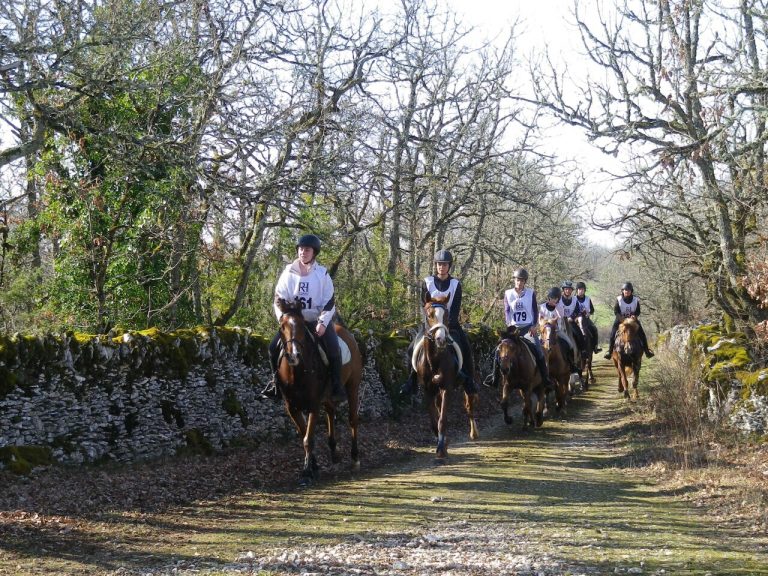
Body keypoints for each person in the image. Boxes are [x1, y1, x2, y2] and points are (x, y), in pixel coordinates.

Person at [266, 234, 346, 402]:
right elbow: (278, 298)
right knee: (272, 348)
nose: (303, 252)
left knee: (333, 349)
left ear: (314, 253)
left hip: (316, 321)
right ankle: (275, 385)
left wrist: (323, 323)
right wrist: (283, 319)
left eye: (307, 250)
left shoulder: (322, 274)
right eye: (301, 249)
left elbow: (329, 302)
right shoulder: (288, 272)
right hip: (294, 323)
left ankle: (337, 386)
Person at [400, 249, 478, 398]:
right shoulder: (427, 282)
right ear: (436, 265)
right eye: (439, 264)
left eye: (445, 264)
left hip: (450, 325)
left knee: (466, 347)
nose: (442, 267)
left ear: (449, 266)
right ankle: (411, 381)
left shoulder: (456, 284)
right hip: (431, 326)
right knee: (411, 349)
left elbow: (455, 308)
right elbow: (425, 305)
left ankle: (469, 381)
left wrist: (446, 325)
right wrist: (433, 324)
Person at [491, 267, 553, 388]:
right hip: (513, 329)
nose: (519, 282)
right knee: (498, 350)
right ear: (514, 280)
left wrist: (534, 326)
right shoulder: (508, 293)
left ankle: (545, 378)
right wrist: (509, 325)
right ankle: (494, 378)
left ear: (525, 281)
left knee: (539, 351)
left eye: (522, 280)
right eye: (517, 280)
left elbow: (535, 311)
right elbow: (507, 310)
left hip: (528, 328)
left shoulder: (530, 293)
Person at [603, 282, 655, 359]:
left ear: (631, 291)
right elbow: (616, 311)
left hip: (632, 320)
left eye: (629, 290)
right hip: (621, 320)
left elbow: (638, 311)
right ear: (622, 291)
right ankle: (610, 352)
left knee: (642, 334)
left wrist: (635, 316)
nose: (627, 291)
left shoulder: (635, 300)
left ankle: (647, 351)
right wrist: (621, 318)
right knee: (612, 334)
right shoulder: (619, 299)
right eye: (625, 290)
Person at [539, 286, 580, 374]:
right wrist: (544, 323)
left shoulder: (560, 306)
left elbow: (560, 316)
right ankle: (538, 367)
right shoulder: (542, 307)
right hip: (545, 332)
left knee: (570, 344)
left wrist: (556, 306)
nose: (554, 300)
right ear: (548, 297)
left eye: (556, 299)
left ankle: (572, 365)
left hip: (557, 331)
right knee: (536, 346)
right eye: (552, 298)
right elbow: (539, 320)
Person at [559, 280, 589, 362]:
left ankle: (583, 351)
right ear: (563, 290)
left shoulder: (575, 300)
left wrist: (571, 317)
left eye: (569, 289)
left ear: (572, 290)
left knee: (579, 333)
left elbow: (577, 311)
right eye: (566, 289)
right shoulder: (558, 299)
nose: (568, 291)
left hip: (570, 321)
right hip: (559, 321)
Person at [574, 281, 601, 353]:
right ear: (577, 290)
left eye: (582, 289)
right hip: (576, 319)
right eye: (579, 289)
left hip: (586, 319)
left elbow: (592, 310)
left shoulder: (588, 299)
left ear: (584, 290)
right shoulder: (573, 299)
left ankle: (595, 346)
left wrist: (589, 313)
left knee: (594, 329)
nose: (581, 291)